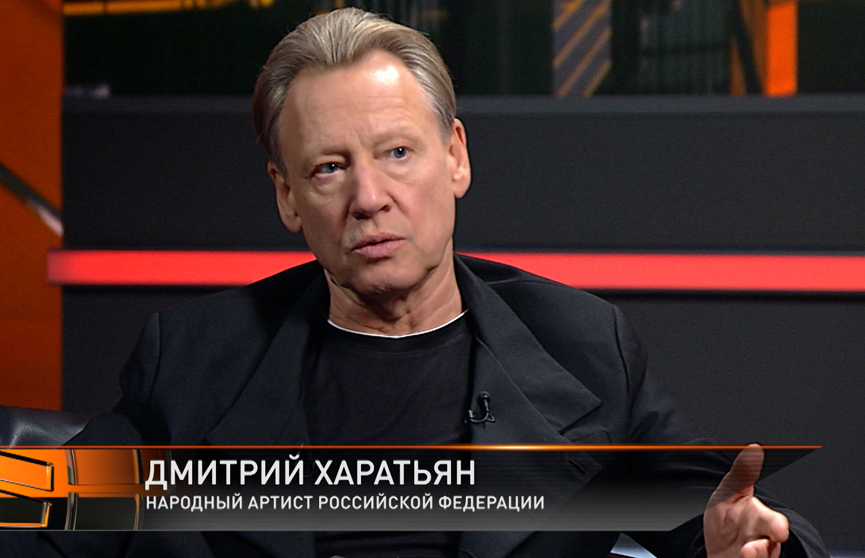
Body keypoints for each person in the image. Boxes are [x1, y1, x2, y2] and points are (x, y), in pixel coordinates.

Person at [21, 7, 825, 558]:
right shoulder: (195, 359)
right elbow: (41, 514)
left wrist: (753, 545)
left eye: (397, 153)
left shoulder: (578, 348)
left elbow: (729, 522)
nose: (369, 197)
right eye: (329, 168)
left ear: (455, 158)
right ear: (287, 197)